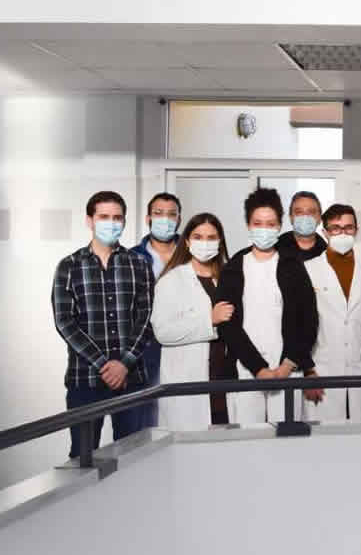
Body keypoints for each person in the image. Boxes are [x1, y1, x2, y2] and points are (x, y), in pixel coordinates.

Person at [52, 191, 153, 458]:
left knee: (133, 456)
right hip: (84, 380)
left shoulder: (139, 265)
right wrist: (103, 364)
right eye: (104, 217)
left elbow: (146, 318)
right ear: (90, 220)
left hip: (131, 379)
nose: (111, 223)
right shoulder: (69, 266)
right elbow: (64, 322)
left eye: (117, 217)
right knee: (82, 456)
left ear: (125, 221)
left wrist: (124, 364)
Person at [217, 187, 319, 424]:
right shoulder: (234, 267)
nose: (264, 229)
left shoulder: (292, 265)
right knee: (247, 436)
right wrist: (259, 368)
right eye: (258, 223)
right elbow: (228, 326)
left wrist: (287, 365)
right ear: (248, 225)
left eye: (271, 224)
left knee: (287, 436)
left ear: (280, 226)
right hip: (245, 369)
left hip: (287, 370)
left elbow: (309, 321)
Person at [301, 204, 361, 421]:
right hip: (321, 365)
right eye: (335, 228)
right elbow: (301, 322)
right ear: (325, 232)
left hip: (357, 365)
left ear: (356, 230)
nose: (342, 233)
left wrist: (351, 335)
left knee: (358, 431)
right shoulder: (308, 270)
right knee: (320, 432)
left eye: (348, 227)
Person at [151, 213, 232, 430]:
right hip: (190, 381)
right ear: (187, 241)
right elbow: (163, 332)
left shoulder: (229, 277)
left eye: (211, 237)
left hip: (226, 381)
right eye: (198, 237)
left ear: (220, 242)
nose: (204, 243)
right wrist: (209, 320)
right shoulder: (171, 281)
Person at [129, 192, 182, 428]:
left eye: (171, 214)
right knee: (143, 421)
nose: (165, 219)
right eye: (159, 213)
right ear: (148, 218)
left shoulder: (192, 254)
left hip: (184, 344)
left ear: (179, 219)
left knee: (181, 415)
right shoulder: (132, 257)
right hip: (145, 349)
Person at [276, 191, 328, 261]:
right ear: (291, 218)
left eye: (311, 212)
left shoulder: (326, 253)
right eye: (299, 212)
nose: (305, 216)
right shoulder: (274, 248)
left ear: (319, 218)